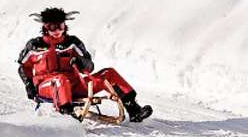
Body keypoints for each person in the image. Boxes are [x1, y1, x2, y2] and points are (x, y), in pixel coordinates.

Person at [16, 6, 153, 123]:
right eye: (53, 27)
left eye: (60, 26)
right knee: (60, 79)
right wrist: (29, 85)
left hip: (73, 85)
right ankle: (67, 114)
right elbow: (23, 67)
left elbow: (89, 66)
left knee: (108, 73)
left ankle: (134, 109)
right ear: (45, 27)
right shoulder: (35, 45)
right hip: (47, 85)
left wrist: (81, 62)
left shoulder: (72, 42)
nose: (57, 30)